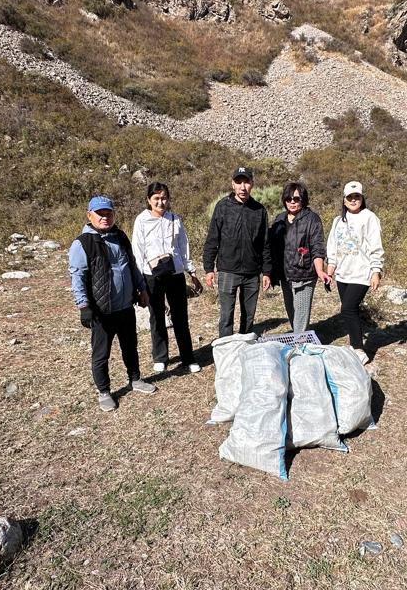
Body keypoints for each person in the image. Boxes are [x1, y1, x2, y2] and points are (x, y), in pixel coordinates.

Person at [68, 195, 157, 412]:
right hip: (102, 310)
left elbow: (132, 265)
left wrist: (142, 289)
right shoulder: (83, 243)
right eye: (100, 214)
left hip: (125, 306)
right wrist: (84, 306)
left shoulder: (120, 236)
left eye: (108, 213)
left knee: (130, 347)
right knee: (101, 354)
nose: (105, 217)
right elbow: (77, 277)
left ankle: (135, 379)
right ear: (89, 216)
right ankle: (104, 391)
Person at [132, 182, 204, 375]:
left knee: (180, 317)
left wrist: (192, 273)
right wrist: (139, 281)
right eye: (156, 198)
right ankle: (160, 357)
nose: (160, 202)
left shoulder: (175, 219)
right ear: (148, 200)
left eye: (164, 198)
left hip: (175, 273)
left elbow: (183, 248)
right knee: (156, 316)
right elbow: (137, 251)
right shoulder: (142, 221)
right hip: (151, 275)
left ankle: (188, 357)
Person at [202, 166, 271, 338]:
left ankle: (245, 345)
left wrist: (267, 272)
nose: (242, 187)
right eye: (238, 182)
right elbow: (212, 239)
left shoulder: (259, 210)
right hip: (228, 270)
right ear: (233, 184)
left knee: (248, 316)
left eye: (246, 182)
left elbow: (265, 244)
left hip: (252, 272)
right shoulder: (222, 207)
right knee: (226, 316)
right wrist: (209, 268)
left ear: (252, 184)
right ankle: (226, 348)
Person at [325, 181, 384, 363]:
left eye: (356, 196)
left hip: (361, 272)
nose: (353, 200)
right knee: (350, 311)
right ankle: (354, 344)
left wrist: (376, 270)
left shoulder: (369, 217)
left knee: (348, 309)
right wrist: (330, 268)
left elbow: (375, 245)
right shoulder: (338, 221)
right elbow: (332, 245)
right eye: (349, 197)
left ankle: (359, 350)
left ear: (362, 198)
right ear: (344, 200)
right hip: (343, 273)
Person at [268, 181, 330, 334]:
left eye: (296, 199)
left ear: (303, 199)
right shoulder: (280, 218)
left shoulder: (312, 219)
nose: (292, 202)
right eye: (288, 199)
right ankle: (298, 338)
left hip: (304, 274)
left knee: (300, 317)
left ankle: (299, 342)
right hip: (285, 275)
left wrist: (320, 270)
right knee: (292, 313)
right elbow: (271, 246)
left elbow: (317, 247)